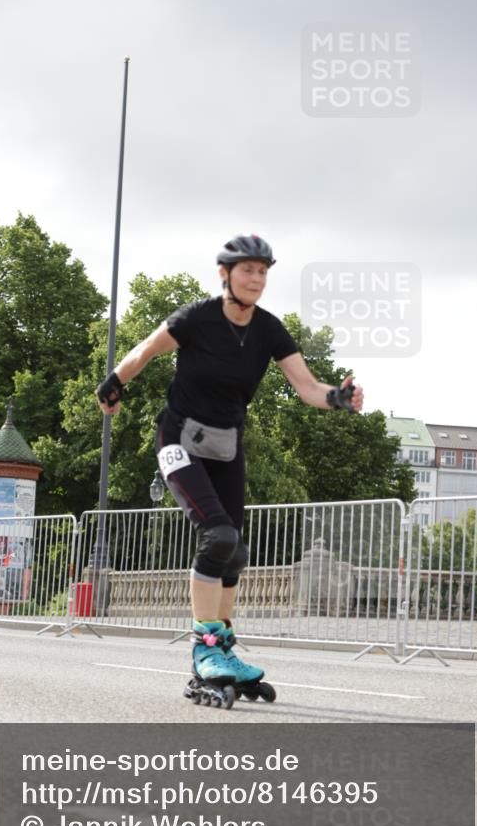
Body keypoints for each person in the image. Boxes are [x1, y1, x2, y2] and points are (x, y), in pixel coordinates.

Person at [96, 234, 364, 706]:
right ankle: (205, 650)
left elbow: (305, 386)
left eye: (263, 272)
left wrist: (337, 399)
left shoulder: (269, 329)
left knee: (235, 552)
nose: (257, 279)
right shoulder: (195, 318)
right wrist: (113, 383)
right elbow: (145, 350)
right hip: (179, 436)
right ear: (225, 274)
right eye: (248, 270)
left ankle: (225, 647)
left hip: (226, 444)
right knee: (217, 538)